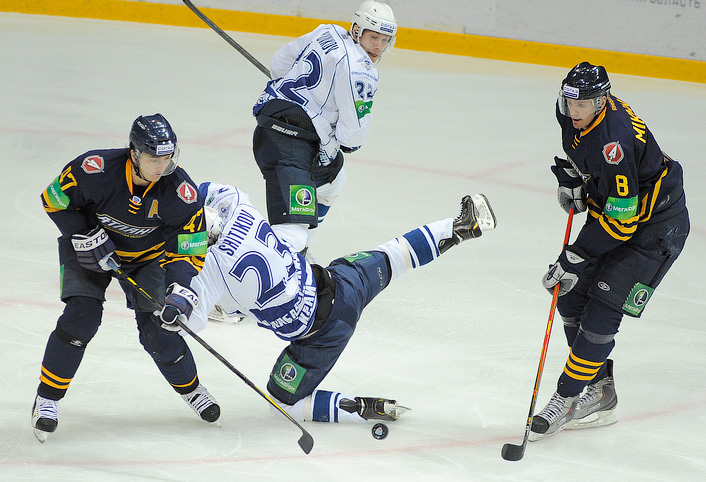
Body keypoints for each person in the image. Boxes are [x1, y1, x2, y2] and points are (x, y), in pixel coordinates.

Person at [164, 182, 496, 424]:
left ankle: (360, 409)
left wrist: (167, 302)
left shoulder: (210, 273)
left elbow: (186, 323)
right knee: (395, 257)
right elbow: (201, 188)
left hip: (322, 336)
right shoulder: (237, 207)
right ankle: (462, 225)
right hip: (339, 280)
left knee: (282, 402)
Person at [32, 114, 219, 443]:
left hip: (148, 259)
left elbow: (187, 249)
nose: (161, 166)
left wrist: (179, 292)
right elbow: (54, 200)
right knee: (81, 317)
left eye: (167, 158)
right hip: (90, 249)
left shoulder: (181, 192)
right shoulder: (95, 170)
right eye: (153, 158)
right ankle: (47, 399)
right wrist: (82, 233)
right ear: (134, 153)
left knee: (159, 330)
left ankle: (192, 389)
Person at [531, 62, 690, 441]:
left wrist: (575, 256)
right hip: (619, 210)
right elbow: (585, 158)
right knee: (569, 295)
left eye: (582, 105)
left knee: (602, 307)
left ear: (601, 102)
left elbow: (623, 222)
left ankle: (567, 396)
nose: (573, 111)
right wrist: (575, 180)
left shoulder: (613, 142)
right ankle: (600, 390)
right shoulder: (573, 112)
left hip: (655, 228)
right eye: (569, 102)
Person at [251, 1, 398, 257]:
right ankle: (270, 262)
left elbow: (279, 64)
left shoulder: (327, 31)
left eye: (384, 40)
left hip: (273, 123)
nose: (378, 46)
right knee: (292, 234)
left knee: (333, 179)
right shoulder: (361, 71)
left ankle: (300, 253)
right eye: (373, 37)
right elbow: (350, 136)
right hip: (289, 144)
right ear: (357, 31)